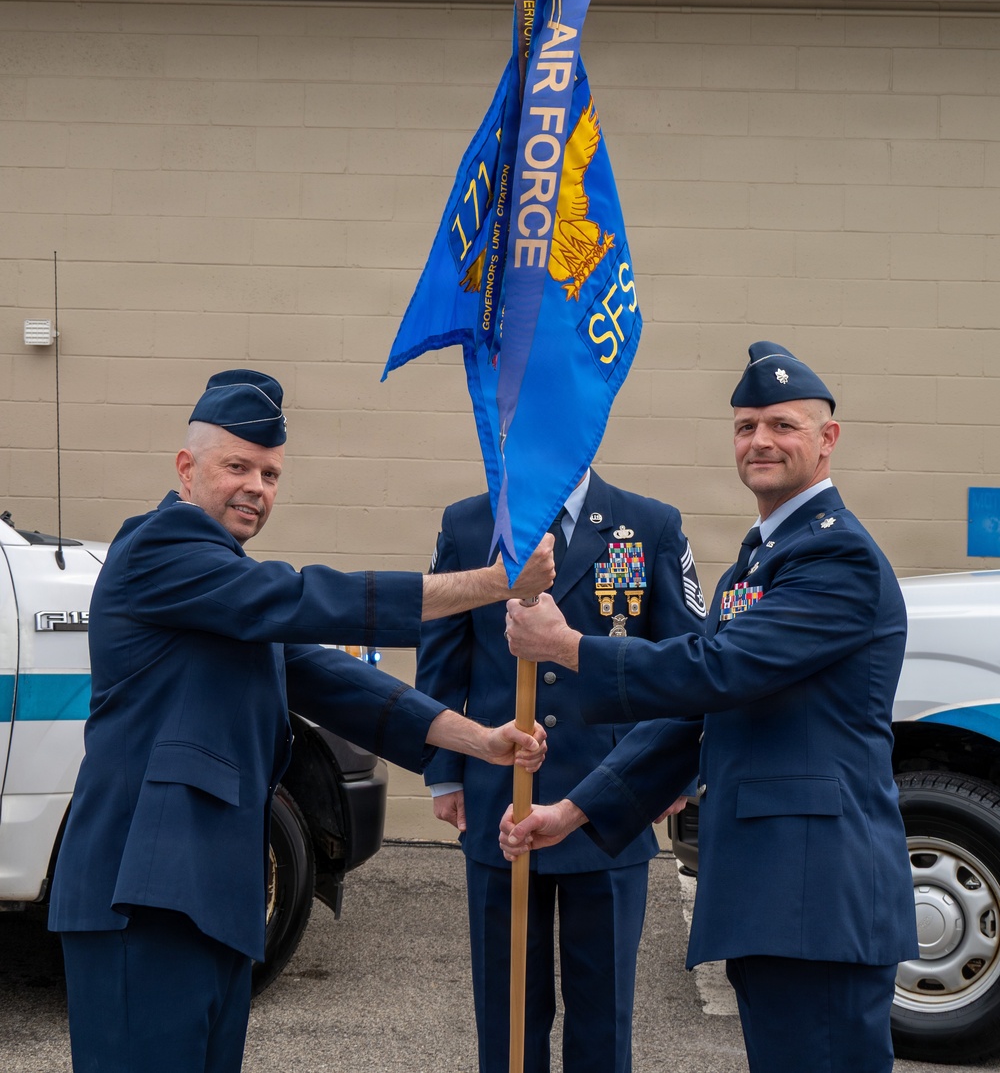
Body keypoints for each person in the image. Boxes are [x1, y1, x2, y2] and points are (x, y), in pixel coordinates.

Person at [47, 369, 554, 1073]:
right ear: (186, 469)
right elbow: (309, 599)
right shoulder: (160, 549)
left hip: (210, 899)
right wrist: (497, 583)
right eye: (238, 467)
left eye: (272, 473)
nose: (257, 486)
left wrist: (480, 741)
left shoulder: (227, 588)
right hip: (142, 900)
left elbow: (333, 680)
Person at [502, 342, 919, 1073]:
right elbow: (697, 714)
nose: (760, 440)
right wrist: (571, 812)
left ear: (828, 441)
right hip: (773, 894)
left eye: (783, 425)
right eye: (745, 425)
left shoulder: (837, 558)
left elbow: (718, 669)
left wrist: (571, 648)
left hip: (817, 896)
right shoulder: (757, 563)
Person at [416, 470, 707, 1073]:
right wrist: (445, 773)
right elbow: (443, 653)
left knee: (604, 1009)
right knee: (506, 1007)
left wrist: (672, 776)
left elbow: (686, 660)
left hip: (609, 801)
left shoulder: (649, 524)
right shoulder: (469, 524)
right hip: (500, 797)